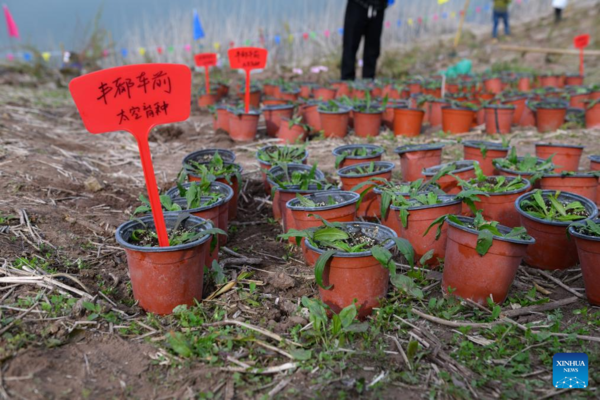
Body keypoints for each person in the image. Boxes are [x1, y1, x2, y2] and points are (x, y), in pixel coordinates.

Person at [341, 0, 390, 81]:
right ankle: (347, 83)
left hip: (378, 7)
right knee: (350, 46)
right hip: (357, 4)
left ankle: (368, 83)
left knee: (373, 49)